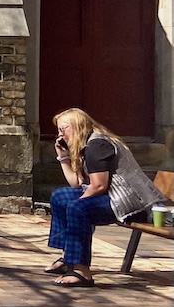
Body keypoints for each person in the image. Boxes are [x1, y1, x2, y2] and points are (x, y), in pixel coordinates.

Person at [46, 107, 166, 287]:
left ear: (78, 126)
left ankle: (81, 270)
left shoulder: (97, 145)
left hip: (131, 203)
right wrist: (63, 158)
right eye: (59, 130)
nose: (60, 135)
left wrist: (77, 203)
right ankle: (69, 257)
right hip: (110, 196)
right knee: (60, 196)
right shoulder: (84, 144)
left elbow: (98, 185)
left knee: (77, 208)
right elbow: (76, 184)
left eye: (64, 129)